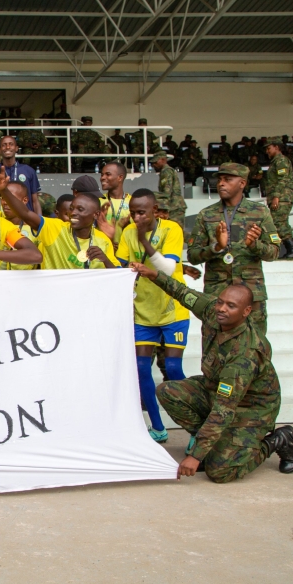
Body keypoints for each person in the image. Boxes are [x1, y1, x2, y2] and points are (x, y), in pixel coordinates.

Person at [130, 262, 293, 482]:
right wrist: (154, 275)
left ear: (246, 311)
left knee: (220, 472)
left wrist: (195, 456)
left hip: (251, 409)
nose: (222, 308)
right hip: (216, 390)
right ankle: (217, 445)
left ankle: (277, 440)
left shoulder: (245, 353)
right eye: (221, 302)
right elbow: (184, 293)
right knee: (167, 391)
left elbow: (223, 409)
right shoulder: (214, 311)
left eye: (231, 306)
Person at [114, 189, 187, 443]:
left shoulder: (172, 229)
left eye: (142, 212)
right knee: (142, 368)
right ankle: (157, 427)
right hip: (143, 313)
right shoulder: (127, 233)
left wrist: (144, 240)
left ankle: (195, 429)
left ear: (155, 210)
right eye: (133, 212)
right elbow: (122, 268)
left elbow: (168, 267)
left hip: (172, 309)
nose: (136, 217)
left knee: (174, 368)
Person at [187, 163, 280, 336]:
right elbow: (192, 255)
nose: (221, 183)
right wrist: (216, 247)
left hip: (250, 295)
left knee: (256, 347)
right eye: (220, 179)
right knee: (214, 347)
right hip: (217, 295)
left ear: (242, 183)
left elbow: (274, 252)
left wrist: (254, 245)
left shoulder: (259, 212)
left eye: (228, 179)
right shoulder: (206, 215)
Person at [0, 171, 116, 271]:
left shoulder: (103, 240)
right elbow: (25, 214)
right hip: (54, 298)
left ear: (96, 214)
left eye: (80, 209)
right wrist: (4, 190)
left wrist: (105, 260)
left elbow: (119, 277)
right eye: (72, 208)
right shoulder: (55, 228)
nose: (73, 213)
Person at [264, 138, 293, 258]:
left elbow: (283, 179)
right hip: (281, 196)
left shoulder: (281, 160)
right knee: (278, 222)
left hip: (282, 197)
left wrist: (276, 197)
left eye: (269, 148)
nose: (267, 151)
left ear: (276, 147)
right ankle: (291, 248)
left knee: (278, 223)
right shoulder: (276, 161)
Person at [0, 134, 41, 212]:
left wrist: (39, 221)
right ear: (0, 150)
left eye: (11, 144)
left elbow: (35, 200)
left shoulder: (28, 170)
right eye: (4, 145)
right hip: (3, 219)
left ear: (16, 148)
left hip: (26, 220)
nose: (8, 147)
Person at [98, 161, 131, 246]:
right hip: (104, 252)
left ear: (120, 177)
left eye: (108, 174)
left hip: (126, 254)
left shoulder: (133, 202)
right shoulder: (98, 201)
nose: (102, 178)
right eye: (102, 175)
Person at [152, 152, 186, 228]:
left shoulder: (166, 171)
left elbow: (167, 193)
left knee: (176, 231)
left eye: (155, 162)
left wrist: (150, 195)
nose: (153, 165)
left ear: (163, 160)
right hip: (174, 206)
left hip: (175, 207)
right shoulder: (166, 171)